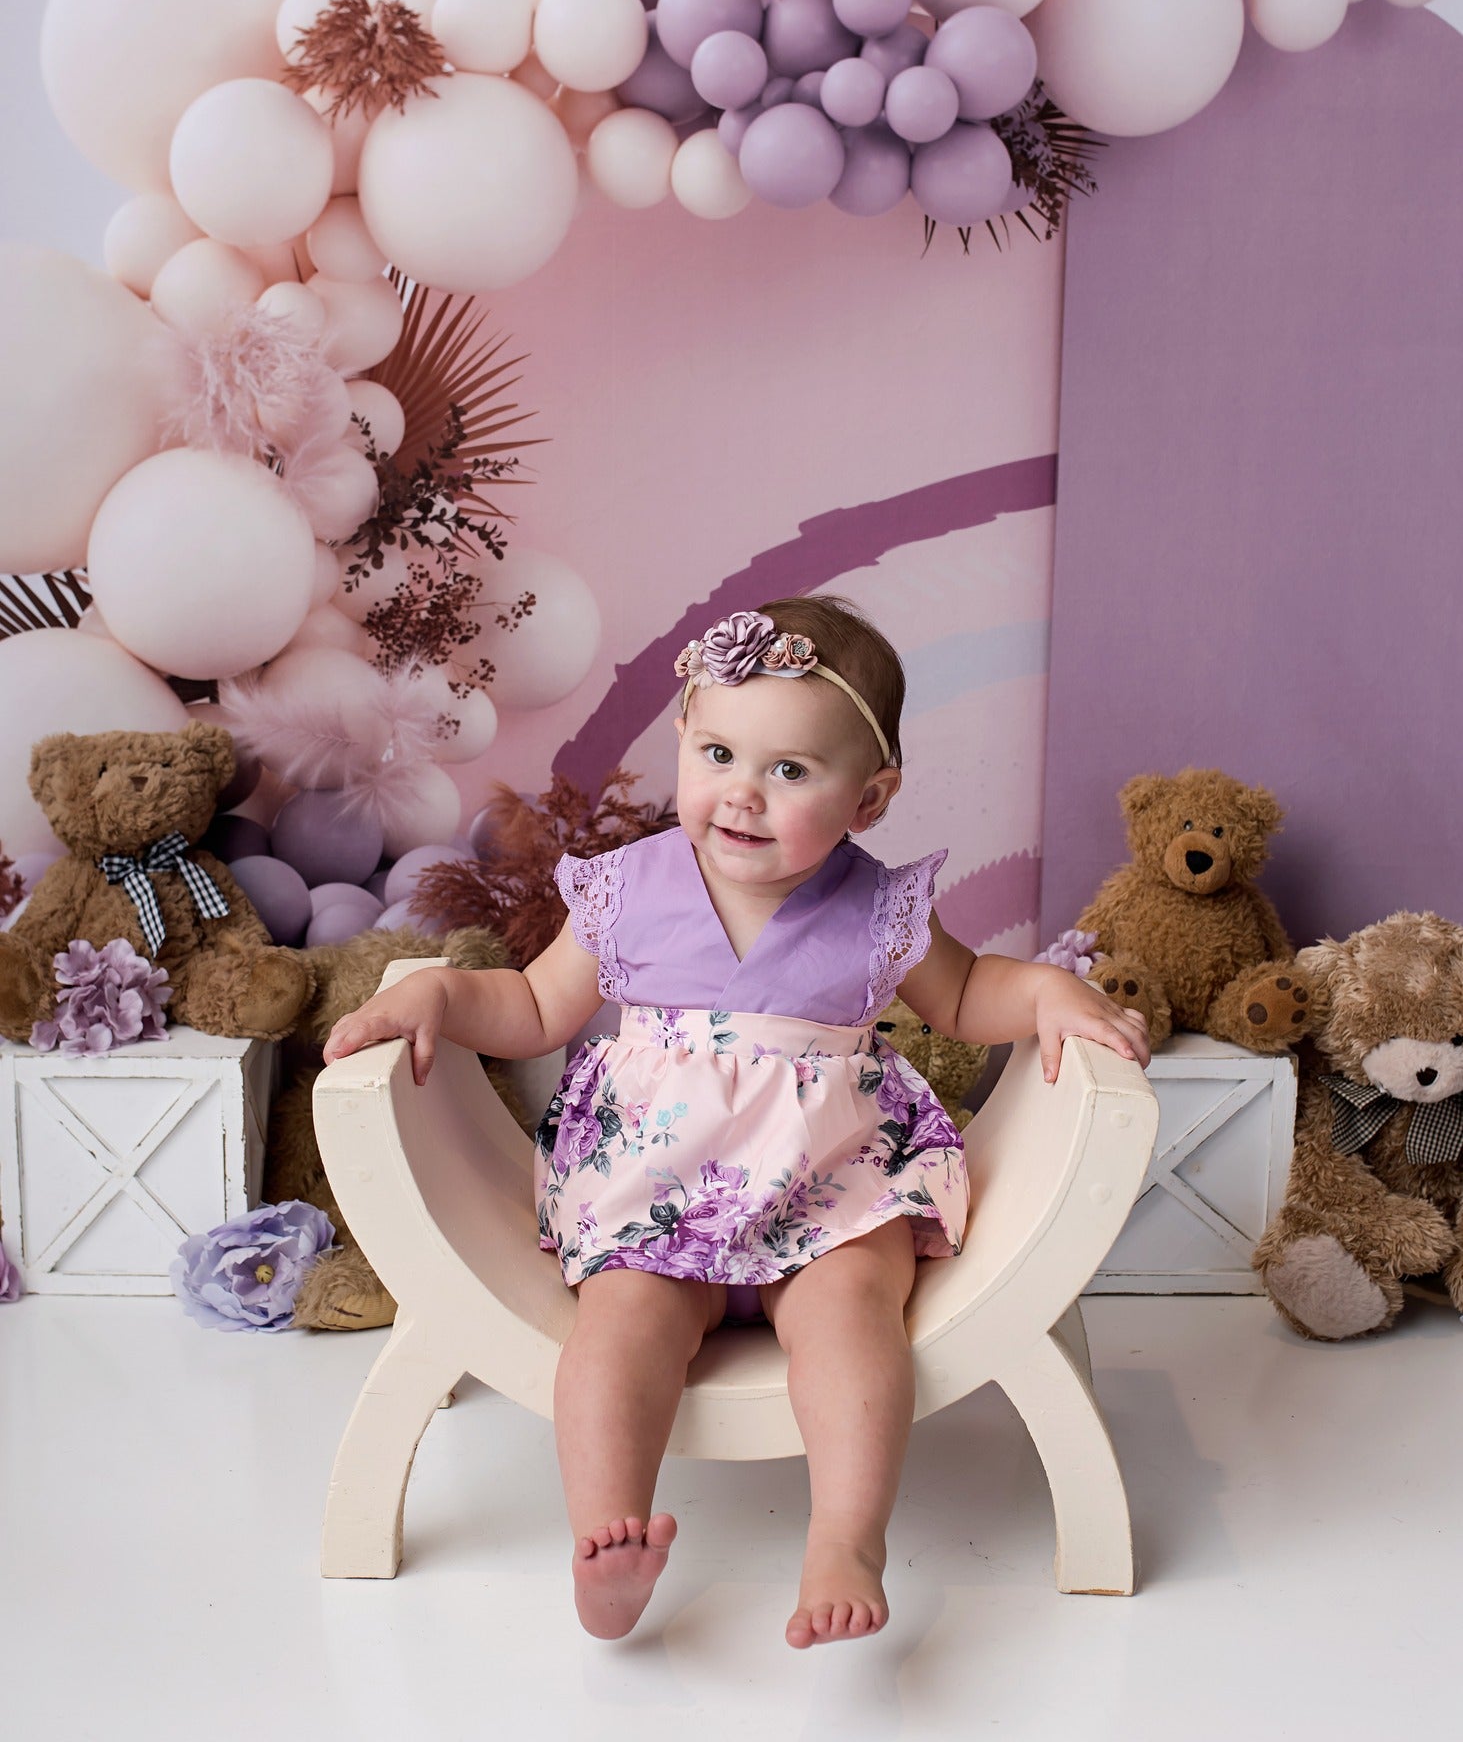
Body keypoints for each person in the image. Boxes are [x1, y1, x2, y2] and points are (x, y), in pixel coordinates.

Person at [323, 595, 1150, 1648]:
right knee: (621, 1327)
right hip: (657, 1195)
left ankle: (845, 1536)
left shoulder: (875, 906)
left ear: (869, 796)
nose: (742, 795)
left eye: (790, 771)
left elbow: (964, 992)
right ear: (679, 739)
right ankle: (606, 1534)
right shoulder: (625, 889)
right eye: (717, 751)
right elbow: (532, 1010)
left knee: (853, 1317)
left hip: (830, 1190)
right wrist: (439, 993)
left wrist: (1040, 994)